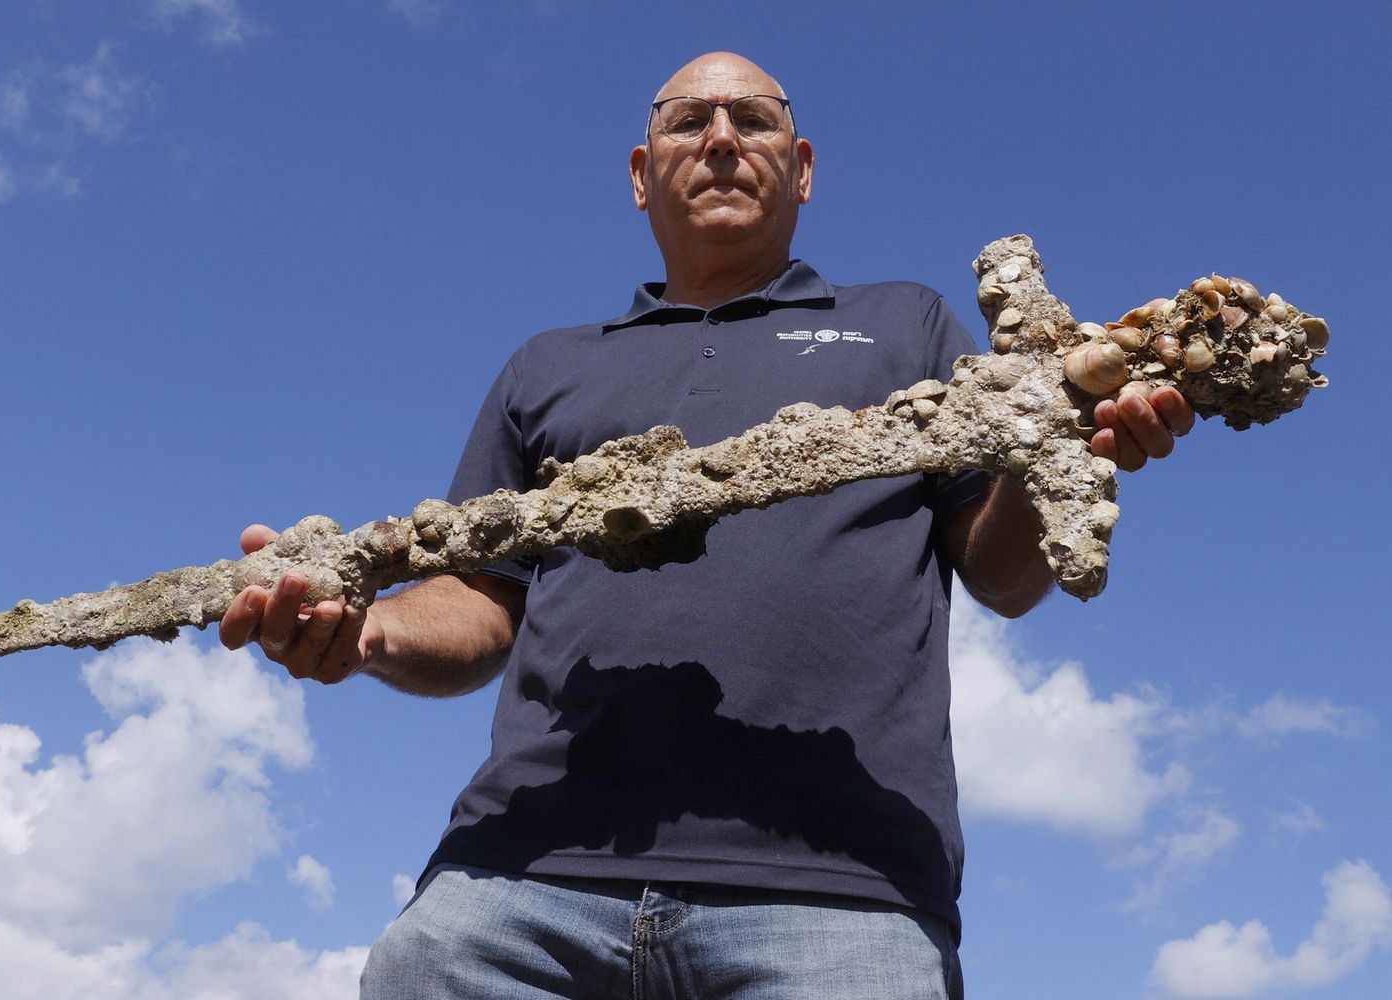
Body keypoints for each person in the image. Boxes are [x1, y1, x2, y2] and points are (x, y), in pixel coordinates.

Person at [219, 52, 1194, 1000]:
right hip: (522, 875)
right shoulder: (546, 364)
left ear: (801, 167)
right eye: (690, 121)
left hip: (838, 886)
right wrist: (371, 632)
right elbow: (483, 597)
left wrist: (1062, 447)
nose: (722, 138)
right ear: (643, 176)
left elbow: (1004, 574)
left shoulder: (907, 325)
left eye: (752, 119)